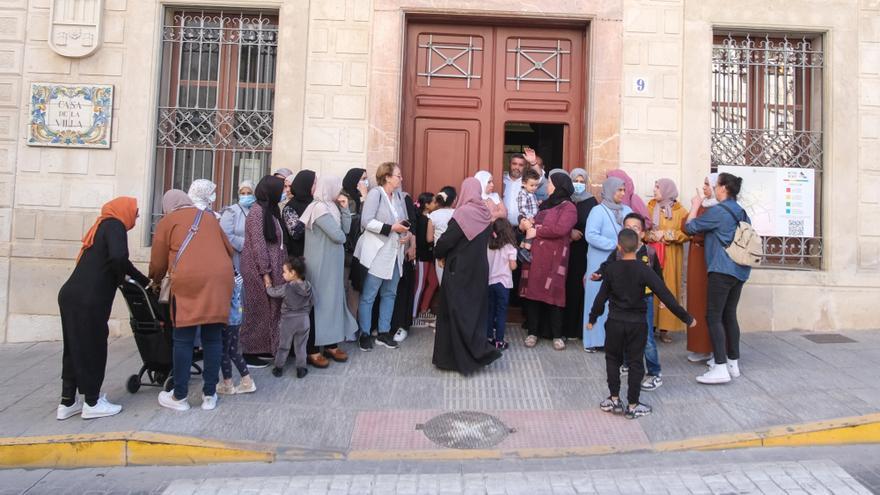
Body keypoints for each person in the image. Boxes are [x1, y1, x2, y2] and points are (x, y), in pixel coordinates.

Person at [56, 197, 148, 420]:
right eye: (135, 212)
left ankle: (67, 402)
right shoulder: (115, 225)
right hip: (89, 299)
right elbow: (119, 257)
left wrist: (142, 281)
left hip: (71, 295)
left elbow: (122, 263)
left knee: (74, 347)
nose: (136, 217)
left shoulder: (101, 227)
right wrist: (121, 279)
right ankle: (92, 402)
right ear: (123, 211)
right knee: (93, 347)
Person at [589, 229, 694, 419]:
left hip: (614, 322)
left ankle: (613, 399)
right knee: (636, 363)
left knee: (612, 359)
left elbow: (600, 298)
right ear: (638, 246)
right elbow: (665, 295)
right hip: (637, 324)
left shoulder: (611, 269)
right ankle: (632, 404)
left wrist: (592, 318)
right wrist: (686, 318)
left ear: (619, 247)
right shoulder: (644, 269)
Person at [150, 190, 234, 412]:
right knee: (213, 338)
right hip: (219, 280)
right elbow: (229, 248)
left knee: (183, 338)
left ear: (169, 206)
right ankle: (209, 395)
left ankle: (180, 396)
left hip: (187, 282)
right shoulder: (207, 217)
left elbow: (157, 263)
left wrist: (155, 280)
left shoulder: (168, 221)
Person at [684, 172, 751, 384]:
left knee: (713, 316)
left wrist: (695, 206)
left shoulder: (719, 211)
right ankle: (733, 363)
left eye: (715, 185)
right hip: (740, 270)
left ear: (722, 188)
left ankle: (720, 367)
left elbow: (690, 228)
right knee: (729, 315)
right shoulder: (741, 211)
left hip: (721, 270)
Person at [432, 178, 502, 374]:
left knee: (455, 313)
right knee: (473, 313)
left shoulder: (463, 213)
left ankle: (456, 359)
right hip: (478, 269)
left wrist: (438, 253)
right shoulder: (485, 213)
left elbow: (447, 240)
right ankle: (477, 351)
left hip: (459, 270)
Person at [592, 213, 664, 391]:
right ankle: (626, 363)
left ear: (642, 234)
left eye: (636, 228)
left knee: (646, 338)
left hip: (643, 301)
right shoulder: (618, 252)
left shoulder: (649, 253)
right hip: (621, 300)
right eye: (627, 228)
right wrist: (598, 274)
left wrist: (662, 297)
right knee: (623, 334)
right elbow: (607, 267)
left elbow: (658, 278)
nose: (631, 231)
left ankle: (654, 372)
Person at [302, 174, 358, 363]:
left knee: (333, 302)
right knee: (319, 304)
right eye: (337, 186)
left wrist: (344, 210)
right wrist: (342, 229)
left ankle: (331, 345)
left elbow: (347, 230)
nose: (339, 190)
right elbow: (339, 236)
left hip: (333, 264)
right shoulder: (317, 208)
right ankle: (313, 350)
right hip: (320, 264)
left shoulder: (331, 206)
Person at [520, 172, 578, 350]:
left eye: (550, 183)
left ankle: (557, 334)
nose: (547, 187)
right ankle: (532, 332)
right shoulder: (545, 204)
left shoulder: (569, 207)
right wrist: (526, 224)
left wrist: (536, 230)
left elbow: (560, 229)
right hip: (536, 256)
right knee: (534, 294)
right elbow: (534, 222)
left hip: (555, 258)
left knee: (554, 294)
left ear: (560, 186)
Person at [354, 162, 408, 350]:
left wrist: (405, 235)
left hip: (395, 252)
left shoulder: (399, 195)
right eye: (398, 175)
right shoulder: (376, 194)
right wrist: (392, 228)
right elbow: (366, 221)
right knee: (370, 294)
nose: (401, 178)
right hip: (378, 252)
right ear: (387, 177)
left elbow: (404, 221)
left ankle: (384, 332)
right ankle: (365, 333)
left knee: (390, 293)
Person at [239, 176, 285, 368]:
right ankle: (249, 352)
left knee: (269, 311)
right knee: (257, 311)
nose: (283, 193)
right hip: (258, 271)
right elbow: (258, 245)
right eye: (280, 189)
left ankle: (265, 347)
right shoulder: (257, 213)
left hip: (271, 270)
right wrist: (266, 274)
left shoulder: (268, 210)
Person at [583, 176, 632, 352]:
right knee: (596, 299)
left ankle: (615, 341)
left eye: (624, 190)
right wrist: (614, 245)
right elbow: (591, 235)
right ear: (610, 190)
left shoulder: (626, 210)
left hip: (620, 263)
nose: (622, 193)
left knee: (617, 301)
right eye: (619, 190)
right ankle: (593, 340)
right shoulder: (598, 211)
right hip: (599, 261)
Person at [646, 179, 690, 343]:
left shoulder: (680, 210)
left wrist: (667, 234)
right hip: (652, 254)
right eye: (655, 186)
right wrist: (651, 235)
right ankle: (651, 325)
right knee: (650, 286)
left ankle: (665, 328)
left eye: (658, 187)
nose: (655, 190)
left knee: (668, 288)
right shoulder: (649, 207)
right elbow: (641, 229)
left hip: (671, 256)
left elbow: (687, 233)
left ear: (667, 190)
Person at [685, 173, 720, 362]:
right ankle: (701, 347)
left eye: (708, 184)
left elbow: (694, 229)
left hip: (709, 259)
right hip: (696, 259)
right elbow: (686, 226)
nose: (704, 187)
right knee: (696, 303)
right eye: (704, 184)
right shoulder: (703, 206)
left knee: (711, 305)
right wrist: (695, 207)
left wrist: (696, 207)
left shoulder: (717, 210)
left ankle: (716, 350)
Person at [563, 168, 599, 339]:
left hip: (582, 250)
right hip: (564, 247)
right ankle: (563, 328)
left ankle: (577, 329)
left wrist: (580, 232)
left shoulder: (591, 201)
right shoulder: (565, 198)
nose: (578, 184)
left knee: (578, 287)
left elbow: (594, 223)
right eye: (575, 181)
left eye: (581, 181)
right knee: (564, 286)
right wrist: (569, 232)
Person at [266, 257, 314, 379]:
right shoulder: (308, 286)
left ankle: (278, 368)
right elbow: (312, 301)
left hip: (288, 321)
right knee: (301, 346)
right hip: (304, 320)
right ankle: (301, 369)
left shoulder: (287, 288)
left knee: (284, 345)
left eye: (285, 272)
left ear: (293, 273)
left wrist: (268, 286)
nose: (283, 274)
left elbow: (273, 293)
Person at [216, 270, 255, 395]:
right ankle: (247, 381)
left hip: (227, 320)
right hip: (237, 317)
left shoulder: (226, 280)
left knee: (223, 352)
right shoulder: (236, 275)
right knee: (233, 351)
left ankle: (228, 384)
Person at [486, 218, 518, 350]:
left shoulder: (488, 246)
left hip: (489, 282)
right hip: (503, 283)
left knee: (490, 311)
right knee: (501, 312)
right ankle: (499, 340)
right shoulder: (510, 247)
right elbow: (513, 266)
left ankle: (488, 338)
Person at [342, 168, 369, 318]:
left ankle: (353, 321)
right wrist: (364, 199)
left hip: (360, 249)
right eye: (362, 178)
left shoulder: (358, 197)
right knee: (347, 286)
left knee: (356, 287)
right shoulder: (345, 198)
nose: (365, 182)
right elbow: (357, 222)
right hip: (348, 249)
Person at [413, 192, 438, 325]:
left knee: (433, 282)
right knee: (419, 286)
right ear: (427, 205)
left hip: (429, 258)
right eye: (433, 202)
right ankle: (412, 314)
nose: (435, 204)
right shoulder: (423, 220)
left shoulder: (427, 218)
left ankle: (423, 310)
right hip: (422, 258)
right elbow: (423, 241)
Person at [220, 180, 255, 272]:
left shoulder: (257, 210)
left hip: (255, 257)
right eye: (243, 193)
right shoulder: (231, 211)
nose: (246, 196)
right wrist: (246, 245)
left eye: (249, 193)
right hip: (237, 255)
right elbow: (226, 234)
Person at [283, 170, 316, 257]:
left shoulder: (314, 202)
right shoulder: (290, 207)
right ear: (306, 185)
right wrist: (308, 214)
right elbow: (295, 234)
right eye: (314, 183)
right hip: (299, 256)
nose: (317, 186)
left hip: (314, 252)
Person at [426, 186, 456, 282]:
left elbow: (429, 239)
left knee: (443, 285)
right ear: (454, 200)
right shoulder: (457, 213)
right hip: (456, 254)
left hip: (440, 256)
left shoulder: (433, 216)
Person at [516, 167, 542, 255]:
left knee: (528, 233)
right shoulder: (523, 193)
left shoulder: (532, 193)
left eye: (536, 185)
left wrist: (538, 203)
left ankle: (522, 247)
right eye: (532, 185)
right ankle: (525, 251)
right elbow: (522, 208)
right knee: (531, 232)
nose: (534, 188)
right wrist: (529, 217)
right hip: (526, 217)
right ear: (524, 183)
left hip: (532, 217)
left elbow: (532, 205)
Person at [503, 153, 528, 226]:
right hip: (503, 228)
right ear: (509, 164)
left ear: (525, 167)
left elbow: (540, 179)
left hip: (522, 228)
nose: (517, 167)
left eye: (521, 165)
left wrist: (533, 163)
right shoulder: (501, 180)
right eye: (514, 164)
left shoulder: (528, 182)